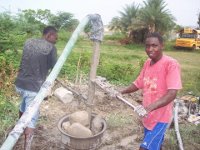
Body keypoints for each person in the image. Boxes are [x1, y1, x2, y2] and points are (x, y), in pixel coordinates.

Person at [119, 32, 182, 150]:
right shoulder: (147, 63)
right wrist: (121, 92)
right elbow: (138, 83)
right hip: (147, 116)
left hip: (160, 118)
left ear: (162, 46)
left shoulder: (171, 64)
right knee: (154, 145)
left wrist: (149, 108)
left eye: (154, 45)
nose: (150, 49)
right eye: (147, 46)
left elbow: (172, 93)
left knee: (145, 148)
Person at [15, 26, 58, 149]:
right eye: (56, 38)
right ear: (49, 35)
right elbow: (54, 67)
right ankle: (27, 145)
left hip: (20, 84)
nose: (56, 41)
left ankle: (19, 129)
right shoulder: (51, 47)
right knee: (31, 117)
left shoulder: (29, 42)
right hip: (33, 88)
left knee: (24, 106)